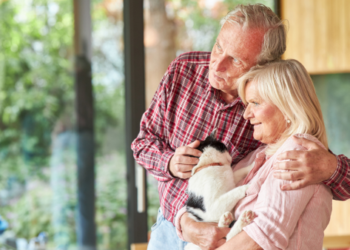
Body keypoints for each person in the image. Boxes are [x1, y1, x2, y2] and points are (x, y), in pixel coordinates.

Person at [131, 4, 348, 250]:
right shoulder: (184, 69)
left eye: (235, 59)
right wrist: (170, 165)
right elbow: (142, 143)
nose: (217, 64)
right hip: (171, 227)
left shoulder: (270, 109)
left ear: (262, 65)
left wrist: (330, 166)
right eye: (219, 46)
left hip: (228, 235)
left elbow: (308, 160)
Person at [176, 59, 333, 249]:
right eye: (246, 104)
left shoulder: (299, 154)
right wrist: (185, 221)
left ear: (287, 107)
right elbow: (209, 204)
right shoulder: (257, 156)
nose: (246, 114)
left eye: (255, 103)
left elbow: (259, 239)